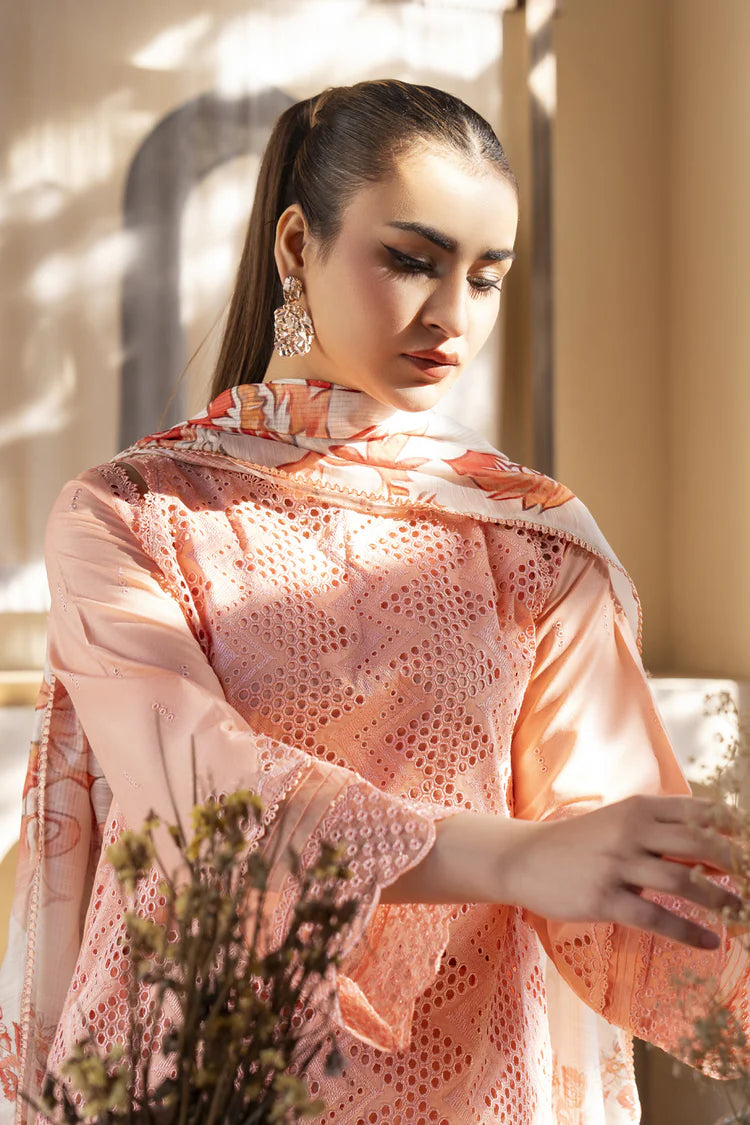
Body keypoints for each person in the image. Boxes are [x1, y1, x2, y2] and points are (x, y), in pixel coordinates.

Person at [0, 78, 748, 1125]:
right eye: (411, 260)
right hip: (199, 1071)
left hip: (464, 1083)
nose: (453, 316)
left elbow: (626, 874)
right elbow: (200, 798)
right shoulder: (129, 513)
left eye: (486, 277)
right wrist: (519, 857)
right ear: (296, 245)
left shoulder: (532, 539)